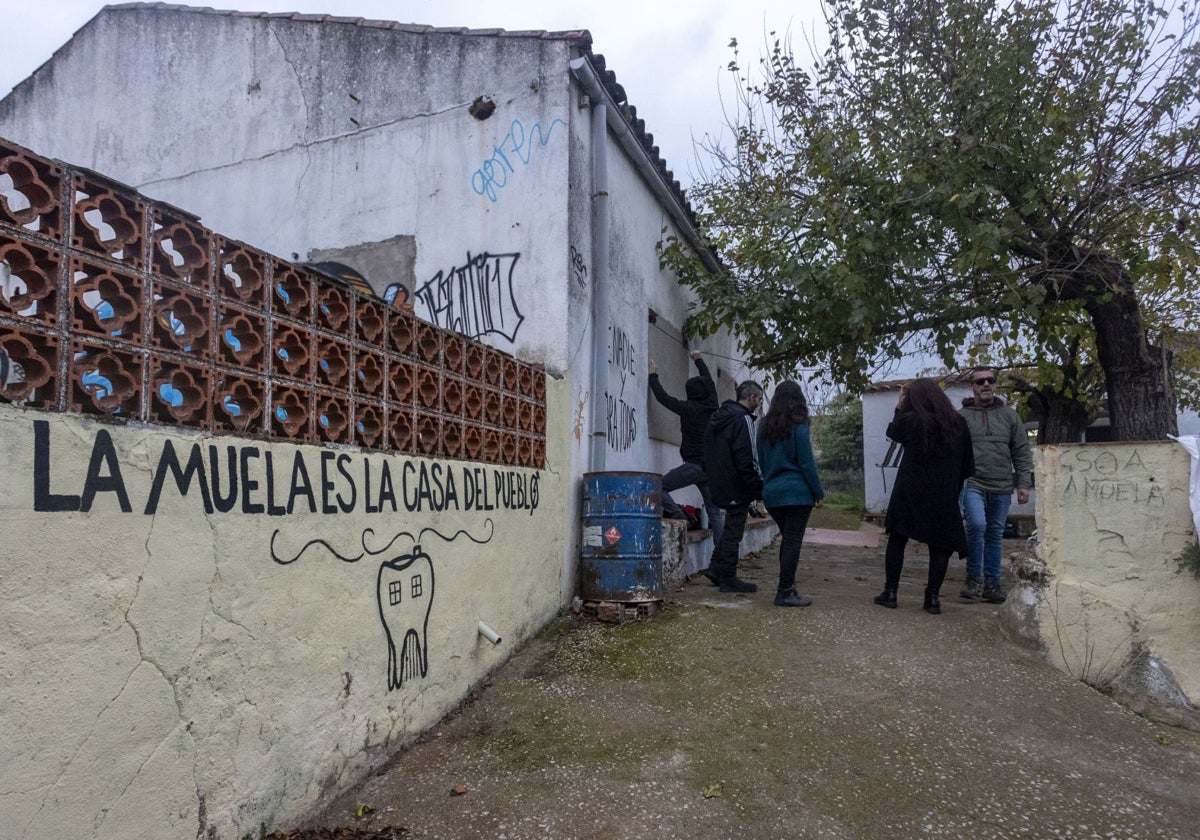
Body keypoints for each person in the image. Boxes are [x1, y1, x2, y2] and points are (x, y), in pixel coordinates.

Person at [875, 379, 975, 614]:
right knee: (940, 545)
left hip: (910, 490)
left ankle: (890, 592)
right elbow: (967, 464)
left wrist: (900, 406)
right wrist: (954, 488)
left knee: (898, 538)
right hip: (943, 492)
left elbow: (893, 432)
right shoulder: (959, 423)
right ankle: (932, 598)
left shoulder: (912, 420)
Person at [958, 367, 1033, 604]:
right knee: (977, 526)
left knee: (994, 534)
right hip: (972, 482)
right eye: (980, 381)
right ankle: (973, 579)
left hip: (1002, 484)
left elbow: (1021, 451)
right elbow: (952, 450)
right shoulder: (961, 416)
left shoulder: (1009, 416)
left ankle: (992, 584)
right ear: (973, 386)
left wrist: (1022, 483)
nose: (986, 385)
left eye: (990, 380)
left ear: (995, 384)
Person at [757, 381, 825, 607]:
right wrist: (818, 492)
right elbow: (806, 462)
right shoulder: (799, 424)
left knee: (788, 541)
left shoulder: (764, 426)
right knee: (793, 542)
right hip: (797, 493)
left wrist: (770, 485)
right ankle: (785, 590)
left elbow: (762, 460)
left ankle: (788, 587)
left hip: (773, 494)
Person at [648, 350, 724, 545]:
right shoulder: (713, 405)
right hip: (712, 468)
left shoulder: (688, 409)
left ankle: (679, 515)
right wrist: (698, 359)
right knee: (715, 512)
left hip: (694, 466)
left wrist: (653, 374)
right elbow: (708, 380)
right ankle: (723, 556)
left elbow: (663, 398)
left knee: (659, 487)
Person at [702, 380, 765, 593]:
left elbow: (709, 451)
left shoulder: (718, 418)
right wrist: (757, 488)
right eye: (759, 398)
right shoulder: (743, 419)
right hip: (737, 483)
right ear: (751, 397)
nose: (759, 403)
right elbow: (747, 457)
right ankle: (728, 577)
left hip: (718, 482)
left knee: (730, 527)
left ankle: (715, 568)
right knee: (734, 532)